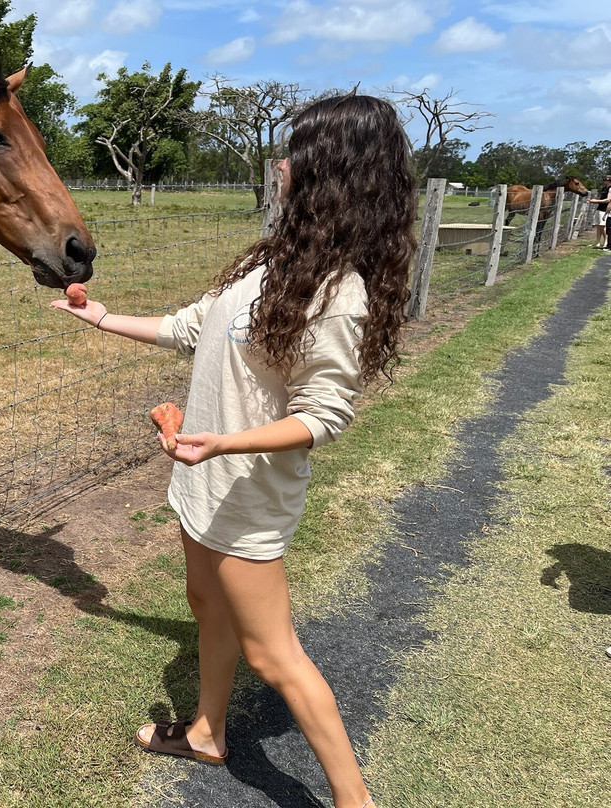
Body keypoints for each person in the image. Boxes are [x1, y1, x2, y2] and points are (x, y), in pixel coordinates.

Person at [50, 92, 417, 808]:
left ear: (328, 172)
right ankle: (207, 734)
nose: (279, 163)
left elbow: (324, 416)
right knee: (204, 607)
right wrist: (98, 318)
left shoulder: (338, 292)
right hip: (201, 481)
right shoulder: (273, 264)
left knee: (273, 654)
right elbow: (191, 327)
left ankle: (355, 800)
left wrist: (225, 441)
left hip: (246, 494)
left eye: (294, 152)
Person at [586, 175, 611, 248]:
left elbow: (608, 200)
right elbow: (602, 198)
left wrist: (596, 201)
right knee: (598, 226)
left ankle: (606, 241)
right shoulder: (604, 188)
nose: (604, 181)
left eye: (605, 180)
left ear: (608, 180)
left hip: (605, 209)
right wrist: (594, 200)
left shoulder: (610, 189)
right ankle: (597, 242)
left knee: (603, 226)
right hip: (599, 208)